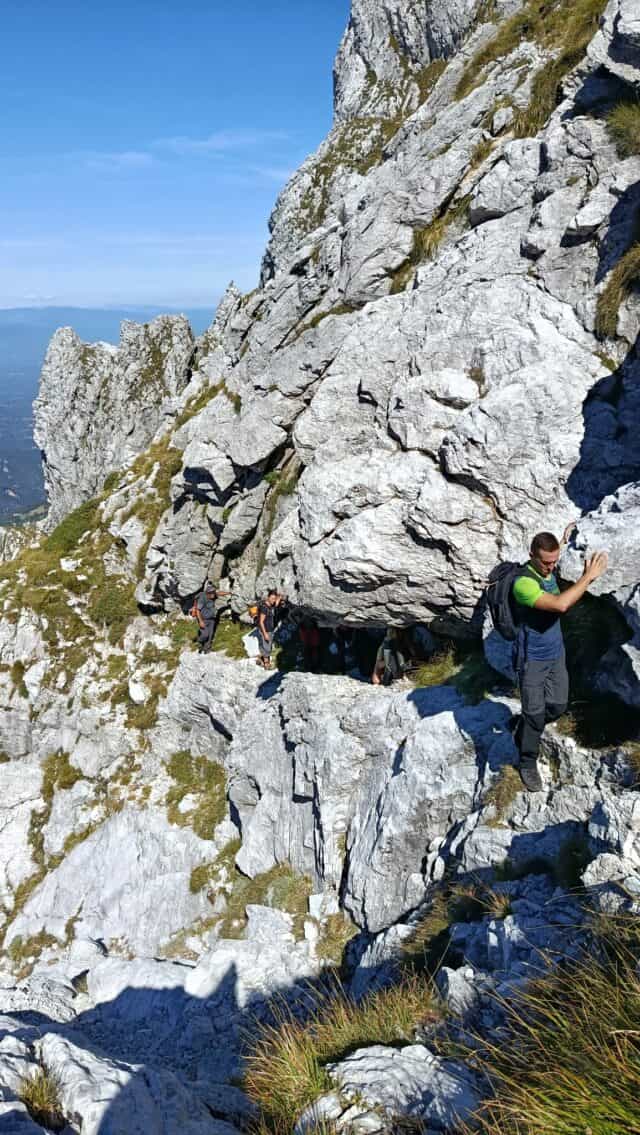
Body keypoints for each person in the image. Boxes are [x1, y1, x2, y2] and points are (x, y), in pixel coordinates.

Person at [512, 528, 608, 791]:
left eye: (554, 562)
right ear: (531, 555)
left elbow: (553, 554)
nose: (551, 567)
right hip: (531, 658)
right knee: (534, 713)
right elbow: (559, 605)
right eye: (546, 562)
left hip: (555, 652)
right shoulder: (523, 584)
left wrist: (566, 539)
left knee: (556, 705)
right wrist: (588, 577)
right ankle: (527, 760)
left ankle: (523, 728)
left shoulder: (547, 564)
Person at [195, 581, 231, 654]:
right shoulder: (202, 599)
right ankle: (199, 642)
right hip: (203, 619)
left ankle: (206, 648)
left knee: (210, 635)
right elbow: (197, 611)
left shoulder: (212, 595)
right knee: (205, 634)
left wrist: (229, 593)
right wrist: (201, 621)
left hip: (212, 619)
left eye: (214, 594)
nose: (214, 596)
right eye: (212, 594)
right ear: (207, 594)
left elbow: (219, 593)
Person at [256, 589, 285, 669]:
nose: (273, 600)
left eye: (274, 599)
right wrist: (265, 634)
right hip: (265, 630)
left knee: (265, 645)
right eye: (272, 598)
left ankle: (260, 658)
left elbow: (275, 605)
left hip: (269, 629)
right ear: (268, 597)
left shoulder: (270, 605)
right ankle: (266, 663)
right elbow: (261, 622)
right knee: (267, 647)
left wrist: (278, 598)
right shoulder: (264, 608)